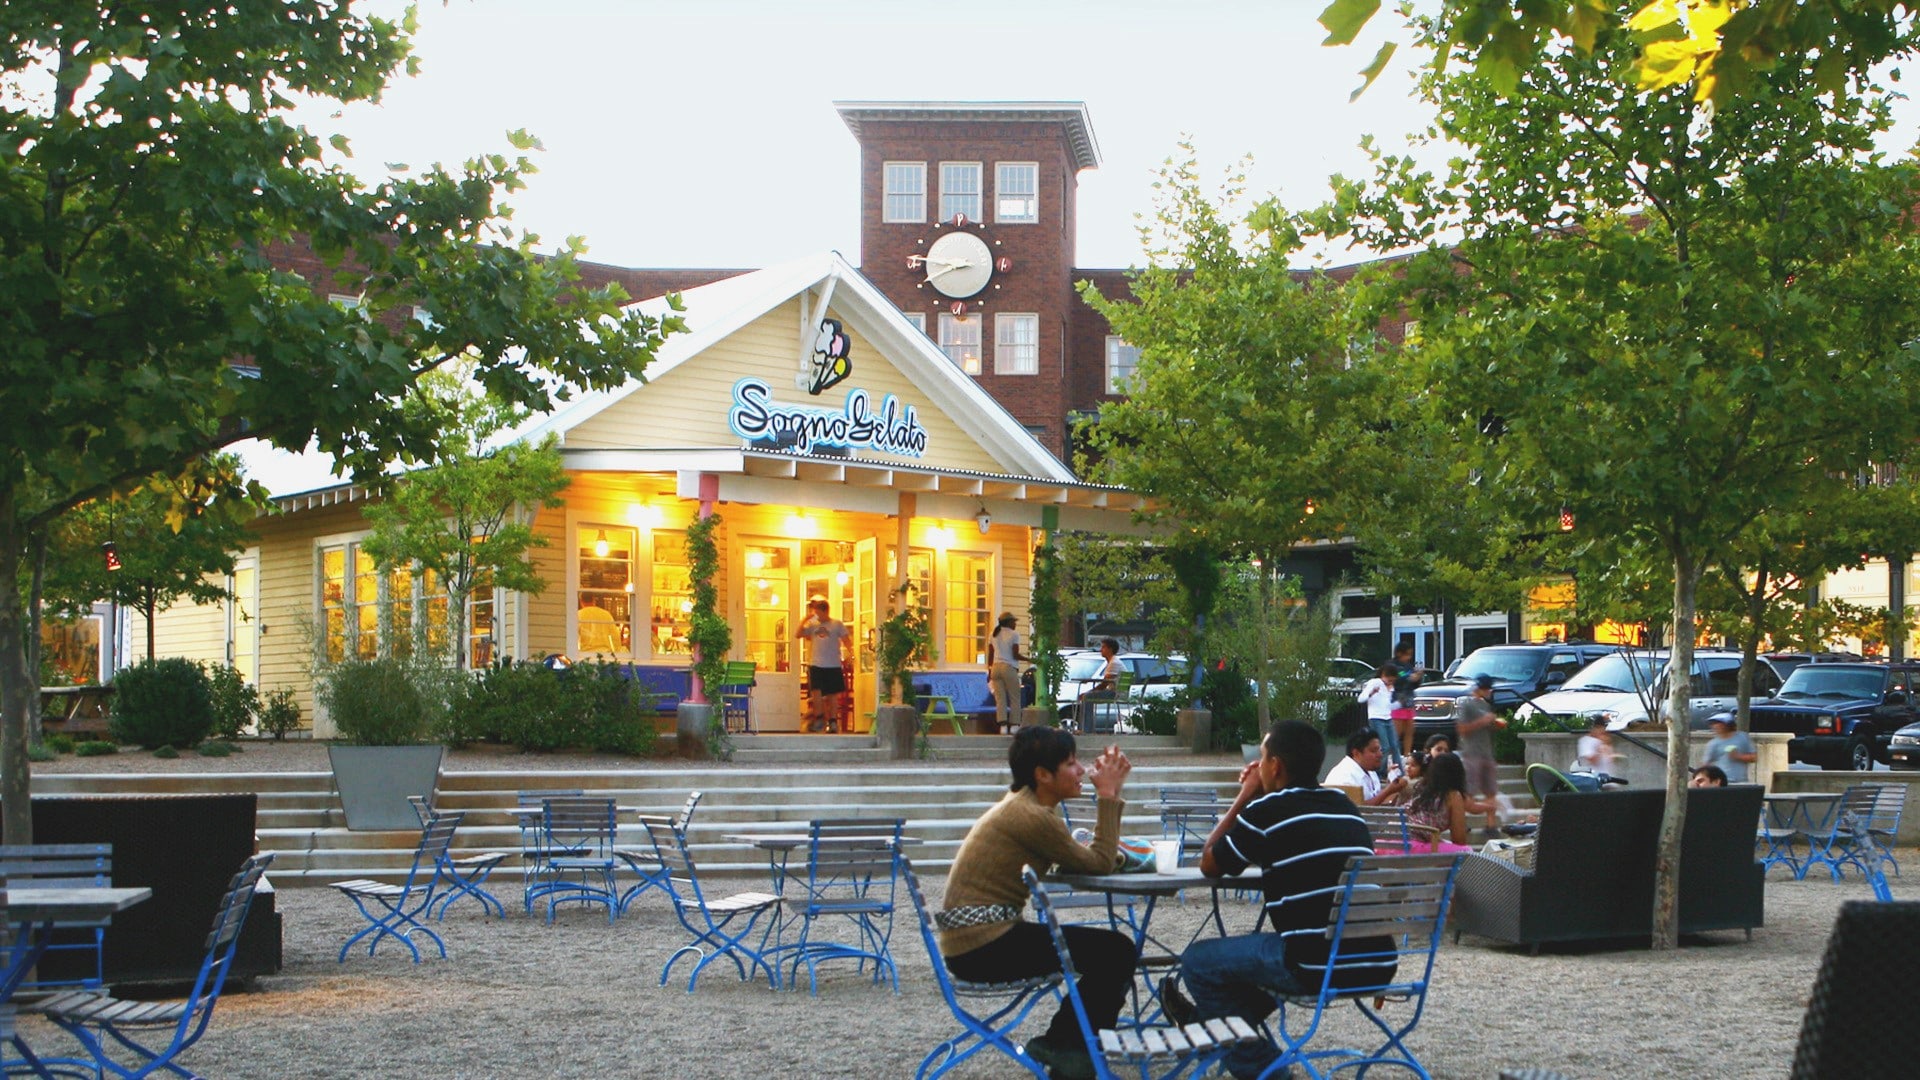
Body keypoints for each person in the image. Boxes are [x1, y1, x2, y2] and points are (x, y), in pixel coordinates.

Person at [1162, 720, 1393, 1080]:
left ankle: (1264, 1069)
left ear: (1275, 766)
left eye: (1262, 756)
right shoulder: (1345, 806)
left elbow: (1210, 863)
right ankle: (1205, 1027)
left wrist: (1246, 795)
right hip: (1376, 960)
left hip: (1317, 964)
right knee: (1248, 974)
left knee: (1198, 962)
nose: (1258, 764)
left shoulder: (1266, 812)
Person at [938, 727, 1137, 1080]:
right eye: (1072, 764)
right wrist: (1107, 794)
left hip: (975, 940)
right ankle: (1068, 1048)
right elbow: (1099, 863)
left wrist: (1108, 842)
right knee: (1116, 951)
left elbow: (1088, 858)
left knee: (1109, 950)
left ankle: (1068, 1046)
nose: (1081, 771)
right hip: (982, 947)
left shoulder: (1026, 809)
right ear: (1043, 775)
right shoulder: (1033, 817)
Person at [1401, 751, 1483, 851]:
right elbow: (1459, 841)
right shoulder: (1453, 795)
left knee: (1445, 844)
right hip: (1409, 847)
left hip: (1386, 843)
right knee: (1465, 851)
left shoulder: (1421, 787)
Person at [1452, 674, 1505, 819]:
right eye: (1487, 688)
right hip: (1471, 753)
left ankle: (1491, 825)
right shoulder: (1467, 705)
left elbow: (1489, 727)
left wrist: (1495, 724)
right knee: (1469, 791)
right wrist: (1482, 721)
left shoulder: (1485, 705)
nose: (1489, 691)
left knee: (1491, 791)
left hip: (1486, 753)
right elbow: (1462, 729)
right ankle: (1462, 821)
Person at [796, 599, 850, 733]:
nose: (816, 615)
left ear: (825, 611)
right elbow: (798, 634)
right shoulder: (813, 625)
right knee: (816, 692)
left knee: (832, 695)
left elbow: (846, 640)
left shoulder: (836, 624)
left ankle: (833, 722)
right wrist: (804, 620)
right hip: (816, 663)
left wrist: (851, 654)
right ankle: (819, 718)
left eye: (818, 612)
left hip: (832, 664)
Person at [1323, 729, 1408, 806]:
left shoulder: (1370, 771)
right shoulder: (1344, 776)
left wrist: (1393, 787)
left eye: (1380, 750)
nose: (1380, 755)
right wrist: (1388, 791)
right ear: (1356, 753)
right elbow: (1358, 810)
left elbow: (1378, 802)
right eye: (1373, 751)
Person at [987, 612, 1028, 734]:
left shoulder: (993, 634)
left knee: (1000, 699)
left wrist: (989, 669)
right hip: (1008, 668)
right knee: (1015, 697)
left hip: (995, 668)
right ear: (1009, 622)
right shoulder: (1014, 634)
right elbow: (1015, 655)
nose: (1015, 624)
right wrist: (1029, 659)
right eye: (1014, 621)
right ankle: (1014, 725)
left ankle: (1003, 727)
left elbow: (991, 653)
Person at [1355, 662, 1401, 771]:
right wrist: (1371, 693)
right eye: (1389, 680)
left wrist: (1400, 702)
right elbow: (1361, 699)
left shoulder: (1390, 688)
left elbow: (1389, 706)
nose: (1390, 683)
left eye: (1393, 681)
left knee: (1395, 745)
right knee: (1384, 747)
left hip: (1387, 717)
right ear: (1383, 675)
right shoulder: (1375, 682)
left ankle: (1399, 771)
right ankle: (1381, 771)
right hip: (1376, 718)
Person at [1388, 643, 1423, 765]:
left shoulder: (1408, 666)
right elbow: (1397, 676)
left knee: (1409, 730)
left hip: (1408, 701)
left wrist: (1418, 678)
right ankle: (1393, 758)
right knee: (1396, 732)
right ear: (1399, 653)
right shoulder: (1391, 665)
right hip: (1396, 700)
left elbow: (1414, 683)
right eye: (1407, 654)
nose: (1409, 657)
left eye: (1410, 655)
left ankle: (1407, 757)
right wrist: (1409, 676)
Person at [1702, 715, 1756, 784]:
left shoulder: (1742, 737)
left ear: (1727, 724)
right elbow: (1705, 765)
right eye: (1712, 724)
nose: (1714, 726)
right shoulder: (1713, 743)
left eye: (1717, 723)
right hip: (1722, 782)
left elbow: (1754, 758)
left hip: (1741, 781)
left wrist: (1737, 756)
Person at [1573, 715, 1622, 781]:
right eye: (1599, 728)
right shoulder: (1585, 741)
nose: (1602, 731)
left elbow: (1609, 761)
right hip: (1593, 781)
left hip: (1609, 781)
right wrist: (1600, 746)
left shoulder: (1604, 740)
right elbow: (1593, 761)